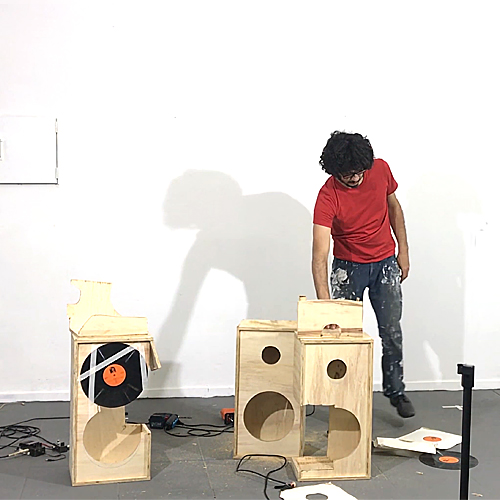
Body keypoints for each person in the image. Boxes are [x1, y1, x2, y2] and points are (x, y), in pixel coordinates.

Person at [312, 131, 415, 418]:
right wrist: (326, 307)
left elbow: (394, 208)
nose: (356, 178)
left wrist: (403, 250)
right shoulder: (327, 196)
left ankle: (395, 391)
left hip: (385, 264)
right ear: (335, 171)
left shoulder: (380, 169)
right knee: (345, 335)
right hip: (348, 268)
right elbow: (319, 255)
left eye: (359, 171)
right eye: (348, 174)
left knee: (391, 331)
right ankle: (346, 396)